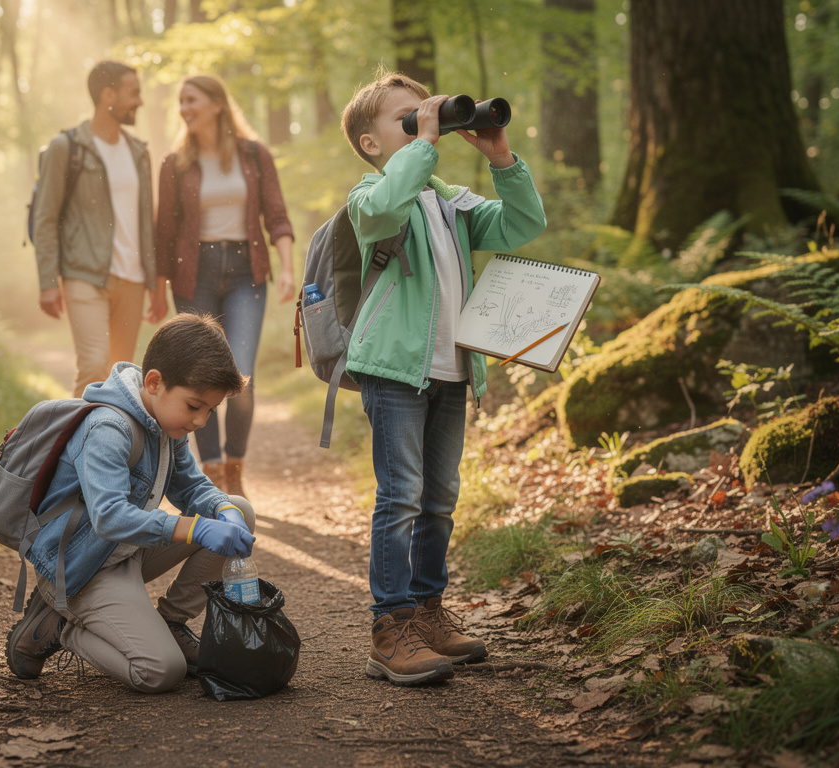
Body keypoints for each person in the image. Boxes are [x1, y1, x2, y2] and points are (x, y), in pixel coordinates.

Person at [339, 70, 547, 685]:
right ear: (372, 144)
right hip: (395, 370)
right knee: (400, 496)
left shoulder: (452, 201)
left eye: (428, 114)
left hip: (452, 371)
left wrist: (501, 157)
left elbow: (522, 225)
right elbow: (382, 209)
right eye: (407, 119)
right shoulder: (370, 195)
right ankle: (390, 626)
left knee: (440, 500)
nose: (425, 124)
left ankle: (428, 612)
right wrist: (425, 144)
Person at [4, 313, 255, 693]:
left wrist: (224, 511)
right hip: (82, 568)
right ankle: (62, 625)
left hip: (124, 552)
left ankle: (171, 622)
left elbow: (191, 487)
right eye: (194, 406)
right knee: (160, 672)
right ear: (154, 382)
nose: (201, 421)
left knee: (240, 509)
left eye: (210, 410)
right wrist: (194, 527)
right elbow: (109, 517)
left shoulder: (165, 421)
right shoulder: (109, 428)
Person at [154, 74, 295, 498]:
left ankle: (236, 467)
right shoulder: (174, 162)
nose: (184, 108)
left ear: (217, 103)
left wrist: (287, 266)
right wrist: (154, 291)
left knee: (241, 375)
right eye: (181, 102)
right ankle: (213, 475)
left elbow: (277, 215)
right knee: (198, 376)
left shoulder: (254, 155)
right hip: (191, 272)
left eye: (191, 99)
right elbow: (164, 233)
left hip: (244, 272)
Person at [32, 60, 168, 397]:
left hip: (133, 279)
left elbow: (146, 221)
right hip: (84, 274)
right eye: (133, 92)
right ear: (108, 95)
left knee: (119, 378)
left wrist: (154, 283)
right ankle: (75, 447)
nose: (139, 101)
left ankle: (109, 446)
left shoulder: (139, 152)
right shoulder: (67, 147)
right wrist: (48, 281)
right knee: (94, 365)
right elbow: (46, 217)